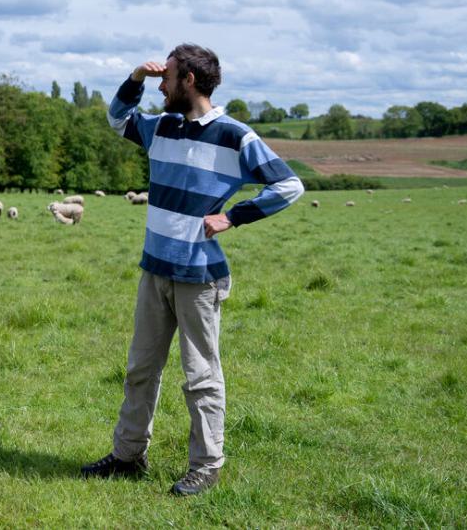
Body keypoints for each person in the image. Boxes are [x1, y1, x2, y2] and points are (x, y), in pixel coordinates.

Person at [80, 43, 304, 496]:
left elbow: (290, 184)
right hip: (154, 270)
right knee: (140, 369)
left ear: (190, 81)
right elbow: (117, 117)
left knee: (200, 376)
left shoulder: (234, 135)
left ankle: (206, 466)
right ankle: (128, 456)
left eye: (167, 77)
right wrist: (135, 77)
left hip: (200, 277)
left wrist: (232, 216)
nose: (160, 85)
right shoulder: (160, 126)